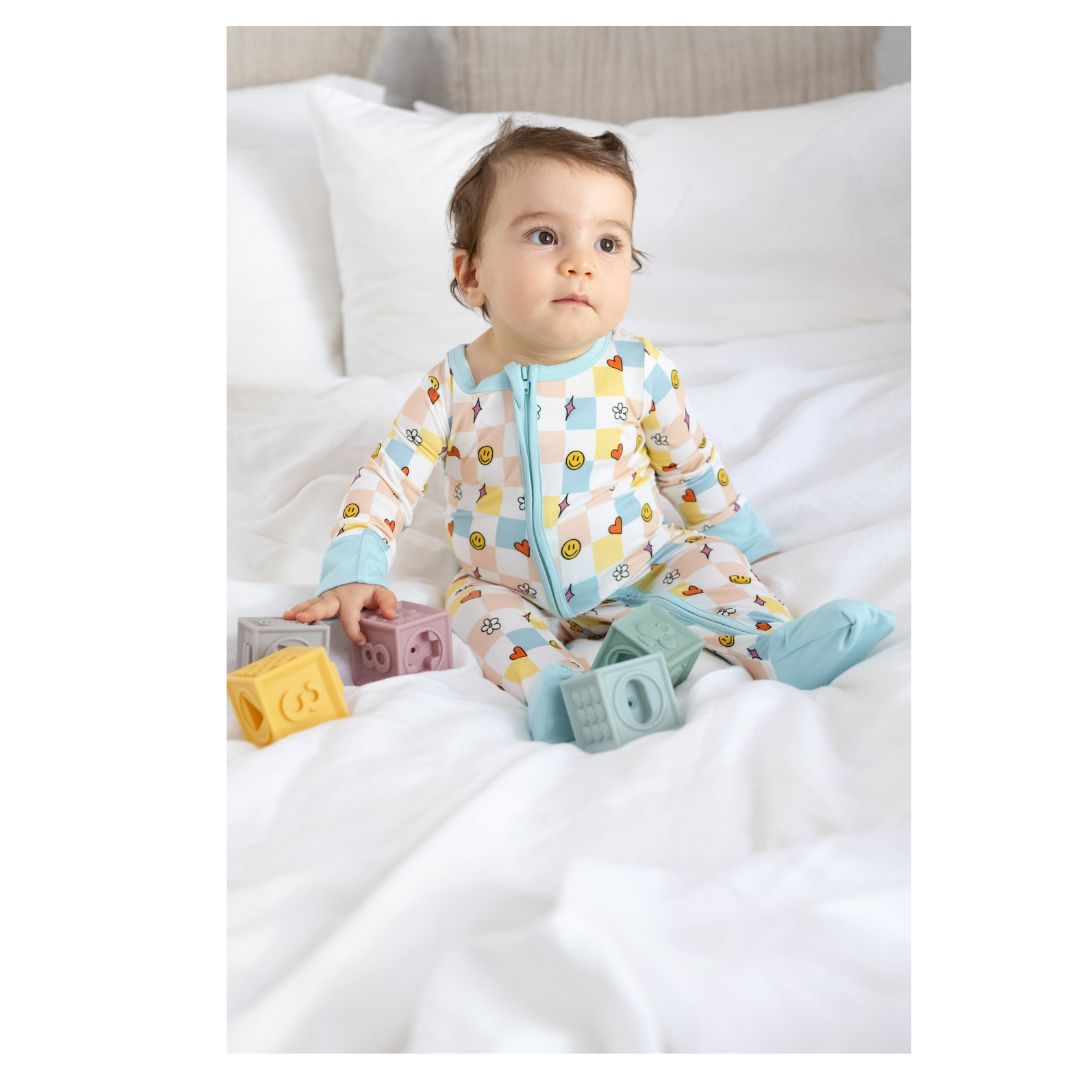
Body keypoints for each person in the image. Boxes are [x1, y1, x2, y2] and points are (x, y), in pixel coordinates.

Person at [283, 119, 895, 741]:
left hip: (642, 559)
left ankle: (776, 645)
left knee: (710, 564)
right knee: (472, 612)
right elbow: (389, 478)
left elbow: (687, 462)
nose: (579, 263)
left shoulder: (638, 370)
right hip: (508, 583)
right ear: (471, 275)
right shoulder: (456, 384)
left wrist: (738, 535)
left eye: (607, 245)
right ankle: (560, 690)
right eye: (545, 236)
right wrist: (354, 567)